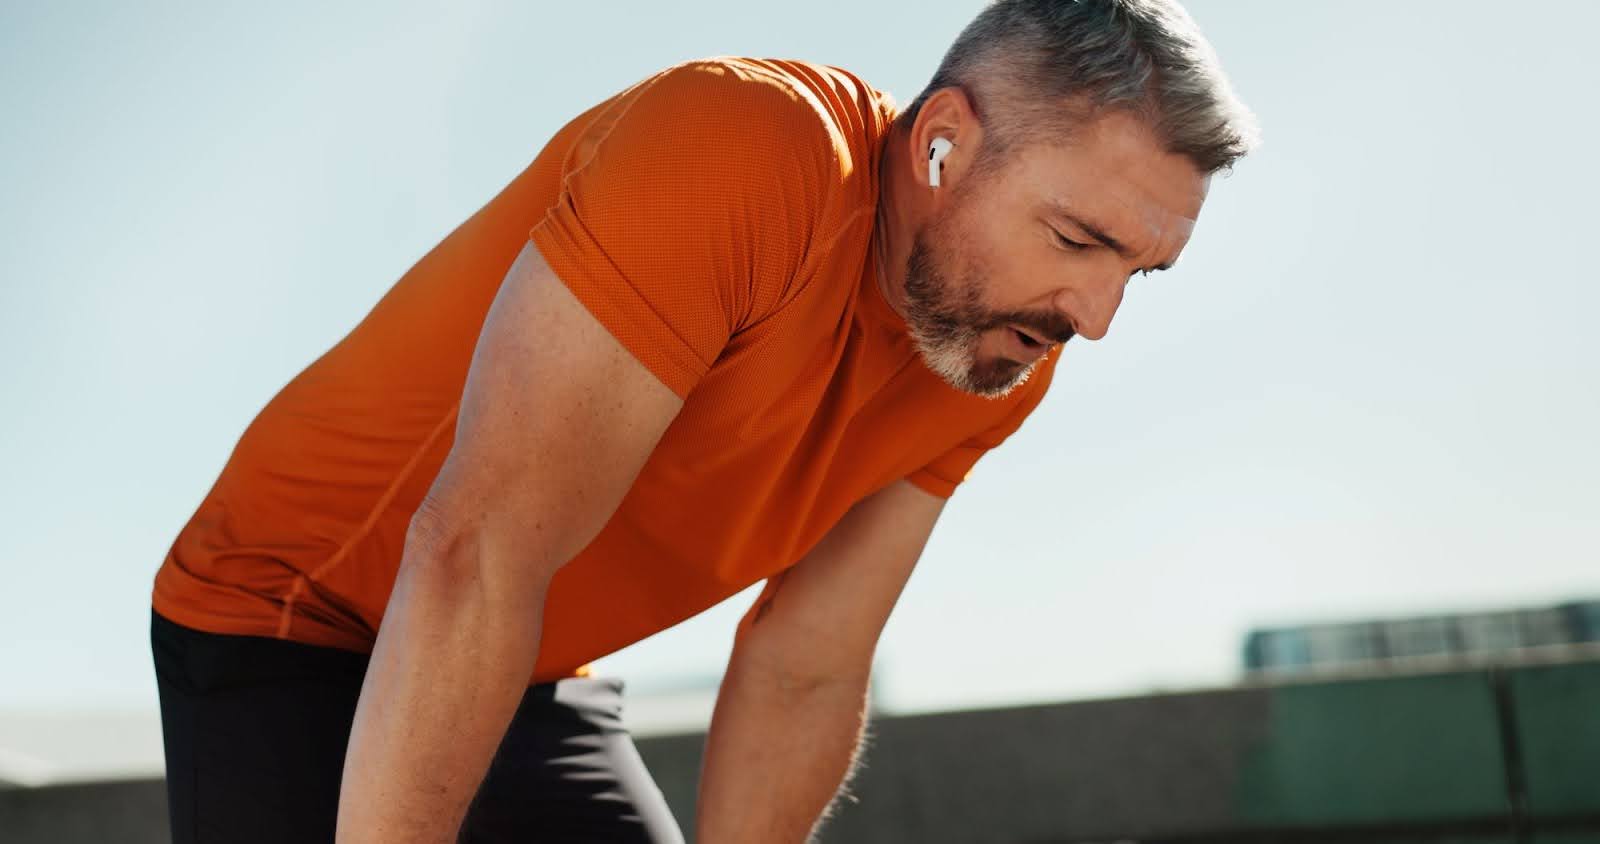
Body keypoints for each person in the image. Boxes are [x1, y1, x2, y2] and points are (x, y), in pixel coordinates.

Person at [148, 1, 1258, 841]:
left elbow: (804, 666)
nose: (1097, 318)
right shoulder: (746, 154)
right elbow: (477, 548)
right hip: (289, 614)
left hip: (532, 658)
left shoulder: (999, 349)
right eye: (1077, 241)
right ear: (942, 142)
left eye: (1140, 273)